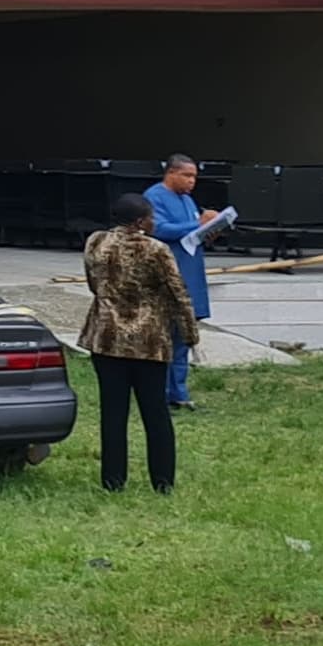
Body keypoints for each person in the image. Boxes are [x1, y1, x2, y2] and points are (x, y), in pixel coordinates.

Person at [78, 192, 198, 495]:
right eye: (151, 217)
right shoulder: (156, 249)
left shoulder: (95, 242)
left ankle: (113, 480)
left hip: (105, 337)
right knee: (155, 411)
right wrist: (189, 333)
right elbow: (177, 292)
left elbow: (94, 284)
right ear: (141, 221)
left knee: (113, 412)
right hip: (149, 340)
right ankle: (162, 482)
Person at [142, 155, 235, 408]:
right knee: (164, 335)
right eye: (187, 176)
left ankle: (179, 394)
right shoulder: (154, 197)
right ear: (171, 173)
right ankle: (158, 395)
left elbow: (193, 233)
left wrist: (210, 230)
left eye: (194, 177)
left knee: (184, 334)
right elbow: (158, 229)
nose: (192, 182)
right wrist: (196, 223)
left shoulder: (187, 199)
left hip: (190, 271)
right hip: (168, 273)